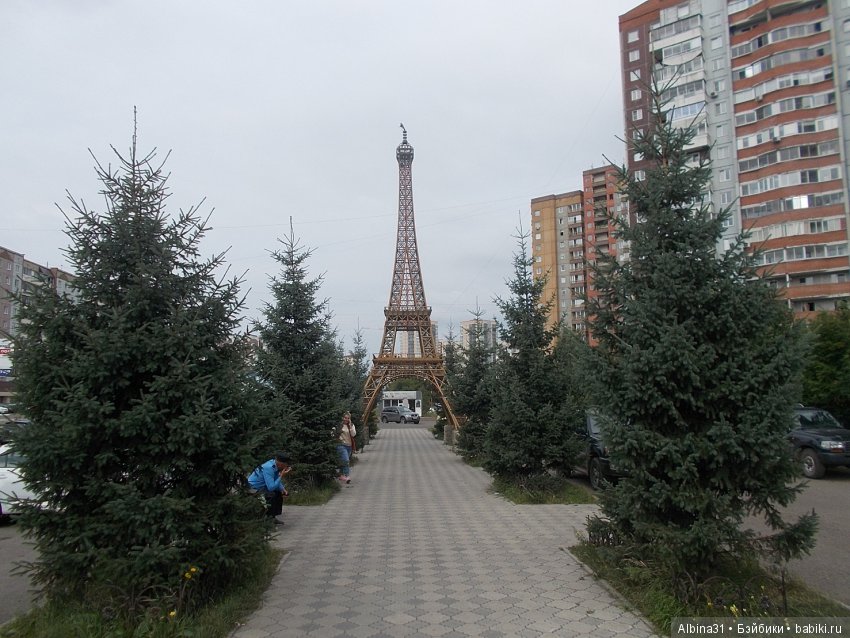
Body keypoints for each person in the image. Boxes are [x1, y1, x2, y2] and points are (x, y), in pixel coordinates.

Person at [248, 452, 291, 524]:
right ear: (280, 464)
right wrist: (281, 475)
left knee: (278, 493)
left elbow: (275, 479)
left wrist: (283, 489)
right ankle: (267, 519)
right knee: (271, 495)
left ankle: (272, 517)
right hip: (253, 488)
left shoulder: (275, 466)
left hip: (262, 487)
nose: (286, 467)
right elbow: (271, 487)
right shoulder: (269, 468)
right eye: (285, 465)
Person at [337, 412, 356, 484]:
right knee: (346, 460)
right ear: (342, 418)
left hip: (349, 446)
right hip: (341, 445)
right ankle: (347, 476)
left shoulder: (351, 425)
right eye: (345, 418)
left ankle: (341, 475)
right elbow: (333, 433)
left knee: (343, 461)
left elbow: (353, 435)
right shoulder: (339, 425)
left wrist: (350, 427)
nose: (346, 419)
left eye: (348, 418)